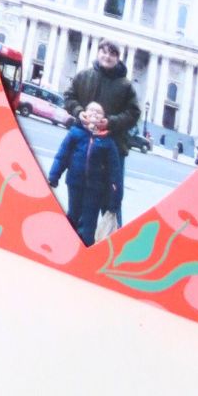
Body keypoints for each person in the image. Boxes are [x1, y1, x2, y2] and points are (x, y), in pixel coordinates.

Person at [47, 102, 123, 246]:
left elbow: (115, 172)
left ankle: (85, 248)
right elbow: (62, 156)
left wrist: (115, 198)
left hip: (95, 188)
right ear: (84, 114)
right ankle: (65, 244)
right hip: (74, 183)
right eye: (91, 110)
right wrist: (53, 176)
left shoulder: (108, 141)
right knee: (72, 215)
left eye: (99, 112)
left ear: (104, 119)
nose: (94, 113)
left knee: (89, 222)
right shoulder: (75, 133)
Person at [63, 38, 141, 167]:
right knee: (77, 178)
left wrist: (110, 122)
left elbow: (134, 113)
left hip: (113, 147)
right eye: (104, 52)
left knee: (111, 181)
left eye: (112, 54)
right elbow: (68, 97)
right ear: (98, 53)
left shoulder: (126, 85)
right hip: (83, 142)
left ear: (118, 58)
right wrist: (79, 112)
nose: (107, 56)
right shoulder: (83, 76)